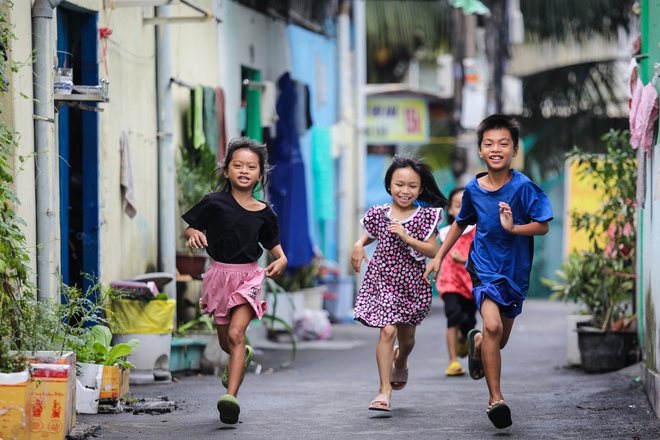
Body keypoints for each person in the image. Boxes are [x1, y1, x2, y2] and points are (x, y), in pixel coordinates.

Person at [424, 114, 553, 429]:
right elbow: (460, 222)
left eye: (504, 143)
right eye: (489, 143)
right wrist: (439, 256)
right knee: (494, 326)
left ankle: (479, 343)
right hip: (483, 267)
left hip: (515, 273)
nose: (496, 149)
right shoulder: (473, 188)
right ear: (480, 150)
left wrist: (514, 227)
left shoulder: (524, 188)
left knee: (498, 338)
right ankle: (496, 399)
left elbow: (544, 226)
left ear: (514, 150)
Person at [182, 137, 288, 425]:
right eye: (237, 165)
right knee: (228, 341)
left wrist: (282, 260)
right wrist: (192, 234)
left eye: (251, 167)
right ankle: (242, 353)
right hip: (218, 275)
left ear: (259, 174)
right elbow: (191, 226)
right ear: (226, 171)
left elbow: (275, 249)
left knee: (236, 335)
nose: (244, 171)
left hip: (249, 277)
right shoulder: (214, 202)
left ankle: (231, 398)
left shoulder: (265, 213)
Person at [351, 155, 448, 412]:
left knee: (406, 340)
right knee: (387, 331)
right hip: (382, 280)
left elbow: (431, 250)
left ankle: (402, 360)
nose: (405, 191)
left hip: (412, 283)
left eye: (412, 186)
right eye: (399, 184)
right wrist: (358, 245)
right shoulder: (379, 213)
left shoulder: (426, 216)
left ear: (421, 188)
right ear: (389, 185)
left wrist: (407, 237)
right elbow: (367, 236)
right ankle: (384, 392)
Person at [436, 187, 477, 377]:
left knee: (469, 322)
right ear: (450, 210)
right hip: (450, 282)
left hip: (471, 283)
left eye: (466, 205)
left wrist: (464, 260)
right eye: (457, 206)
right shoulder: (445, 233)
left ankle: (464, 339)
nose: (461, 209)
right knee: (453, 317)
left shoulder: (478, 232)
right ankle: (452, 361)